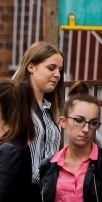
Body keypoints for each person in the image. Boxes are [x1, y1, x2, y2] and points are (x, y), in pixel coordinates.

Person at [13, 42, 64, 186]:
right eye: (51, 68)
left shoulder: (50, 108)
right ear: (31, 67)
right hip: (21, 189)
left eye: (60, 70)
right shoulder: (15, 103)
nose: (57, 75)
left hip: (47, 191)